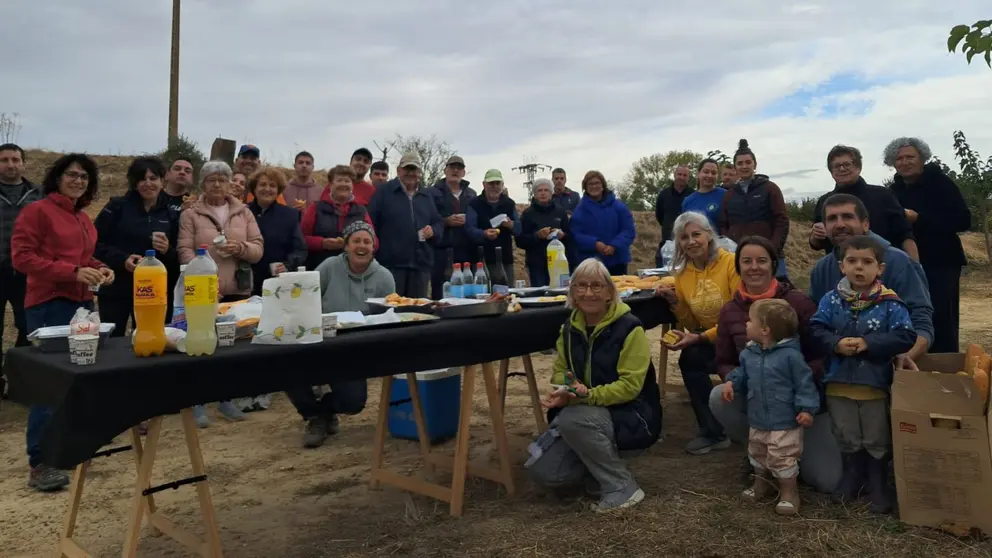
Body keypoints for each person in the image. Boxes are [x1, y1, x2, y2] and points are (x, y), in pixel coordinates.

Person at [11, 153, 114, 492]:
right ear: (57, 177)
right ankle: (39, 462)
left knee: (77, 380)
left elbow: (84, 259)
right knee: (50, 384)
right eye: (72, 174)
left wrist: (101, 268)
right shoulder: (37, 212)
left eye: (84, 177)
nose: (78, 181)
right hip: (48, 305)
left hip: (82, 303)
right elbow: (23, 257)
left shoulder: (83, 218)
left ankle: (68, 450)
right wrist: (71, 273)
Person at [526, 258, 661, 512]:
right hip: (587, 413)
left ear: (611, 292)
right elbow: (560, 373)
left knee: (571, 421)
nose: (589, 293)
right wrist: (563, 389)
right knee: (545, 473)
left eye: (597, 286)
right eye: (581, 286)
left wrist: (585, 396)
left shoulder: (631, 329)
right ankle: (597, 470)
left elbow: (630, 387)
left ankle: (622, 487)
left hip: (632, 415)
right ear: (572, 292)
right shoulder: (568, 329)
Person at [708, 235, 840, 494]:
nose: (754, 267)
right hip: (760, 402)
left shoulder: (798, 303)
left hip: (800, 403)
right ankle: (764, 456)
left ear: (774, 264)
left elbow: (823, 354)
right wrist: (734, 379)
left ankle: (790, 457)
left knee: (828, 480)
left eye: (761, 260)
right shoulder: (730, 311)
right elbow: (723, 361)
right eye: (746, 261)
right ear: (738, 267)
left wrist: (794, 383)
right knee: (718, 397)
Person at [809, 235, 916, 514]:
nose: (859, 268)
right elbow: (815, 330)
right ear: (841, 266)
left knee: (876, 436)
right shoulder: (831, 301)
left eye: (867, 262)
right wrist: (835, 344)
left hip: (874, 385)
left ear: (879, 268)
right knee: (846, 432)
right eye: (852, 261)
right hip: (838, 384)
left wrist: (870, 344)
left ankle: (878, 480)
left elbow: (906, 335)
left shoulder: (890, 303)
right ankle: (852, 475)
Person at [288, 221, 395, 447]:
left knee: (353, 402)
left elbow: (389, 317)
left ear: (373, 247)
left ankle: (326, 409)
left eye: (367, 241)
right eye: (356, 240)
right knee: (287, 367)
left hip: (356, 349)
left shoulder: (384, 277)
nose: (362, 246)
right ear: (346, 245)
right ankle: (314, 417)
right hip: (320, 340)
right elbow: (307, 299)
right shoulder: (328, 267)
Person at [178, 161, 264, 427]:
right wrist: (202, 273)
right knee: (200, 345)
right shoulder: (191, 213)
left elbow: (258, 248)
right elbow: (183, 250)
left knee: (231, 348)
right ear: (202, 184)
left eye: (222, 179)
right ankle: (198, 403)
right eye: (211, 179)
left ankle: (226, 399)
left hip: (236, 290)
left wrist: (240, 248)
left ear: (230, 184)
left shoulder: (244, 212)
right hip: (203, 292)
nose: (217, 184)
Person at [809, 194, 933, 366]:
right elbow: (816, 324)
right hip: (836, 375)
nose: (840, 224)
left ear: (865, 224)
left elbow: (921, 320)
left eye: (847, 217)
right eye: (832, 219)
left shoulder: (900, 262)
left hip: (888, 372)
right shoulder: (821, 269)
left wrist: (905, 357)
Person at [721, 299, 820, 515]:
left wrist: (806, 408)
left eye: (750, 321)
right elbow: (741, 372)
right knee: (757, 451)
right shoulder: (749, 353)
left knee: (782, 456)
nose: (746, 324)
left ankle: (789, 492)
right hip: (758, 417)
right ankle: (761, 483)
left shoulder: (791, 357)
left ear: (765, 330)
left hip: (784, 419)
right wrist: (731, 382)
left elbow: (804, 384)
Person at [654, 211, 740, 455]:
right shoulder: (681, 275)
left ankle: (747, 422)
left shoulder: (730, 263)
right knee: (690, 359)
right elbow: (691, 323)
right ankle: (713, 432)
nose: (691, 241)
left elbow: (737, 315)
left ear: (709, 236)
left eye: (696, 235)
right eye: (684, 237)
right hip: (711, 337)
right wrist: (675, 302)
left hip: (738, 336)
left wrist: (701, 337)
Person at [886, 136, 972, 354]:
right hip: (906, 264)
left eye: (910, 157)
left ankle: (946, 367)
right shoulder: (894, 191)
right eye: (899, 158)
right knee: (913, 314)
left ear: (922, 158)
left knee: (942, 316)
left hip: (941, 263)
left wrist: (919, 219)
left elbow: (963, 220)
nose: (905, 162)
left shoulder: (941, 184)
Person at [94, 156, 181, 337]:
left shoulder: (170, 213)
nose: (148, 184)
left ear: (162, 180)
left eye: (153, 178)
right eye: (142, 179)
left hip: (152, 291)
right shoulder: (117, 207)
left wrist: (167, 250)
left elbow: (177, 258)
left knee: (148, 337)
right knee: (111, 341)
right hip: (116, 288)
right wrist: (123, 259)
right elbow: (94, 244)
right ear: (134, 183)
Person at [809, 145, 917, 259]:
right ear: (831, 171)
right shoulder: (824, 201)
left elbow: (905, 235)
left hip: (884, 267)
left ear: (858, 167)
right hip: (840, 270)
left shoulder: (883, 195)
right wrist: (815, 237)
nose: (842, 169)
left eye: (847, 164)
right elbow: (817, 244)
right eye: (836, 166)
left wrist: (915, 267)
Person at [367, 152, 443, 297]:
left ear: (419, 172)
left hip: (420, 264)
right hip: (391, 265)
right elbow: (370, 223)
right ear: (398, 170)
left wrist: (433, 230)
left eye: (414, 169)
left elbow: (438, 221)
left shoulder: (426, 195)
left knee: (418, 313)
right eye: (407, 169)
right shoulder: (384, 192)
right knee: (391, 311)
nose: (410, 173)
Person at [719, 139, 790, 279]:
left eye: (748, 162)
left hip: (771, 256)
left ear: (755, 164)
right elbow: (723, 224)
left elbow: (781, 221)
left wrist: (773, 249)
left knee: (777, 297)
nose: (744, 166)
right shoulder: (729, 195)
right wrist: (731, 248)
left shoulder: (770, 188)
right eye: (740, 163)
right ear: (735, 168)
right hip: (741, 258)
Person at [0, 143, 41, 362]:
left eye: (15, 160)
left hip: (27, 272)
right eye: (4, 160)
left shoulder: (39, 194)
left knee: (28, 327)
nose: (10, 165)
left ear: (23, 164)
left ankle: (18, 376)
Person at [300, 165, 373, 270]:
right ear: (330, 184)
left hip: (353, 269)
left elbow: (373, 240)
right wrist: (322, 243)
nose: (343, 184)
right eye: (339, 180)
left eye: (347, 181)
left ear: (352, 185)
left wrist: (357, 245)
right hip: (319, 268)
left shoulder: (361, 210)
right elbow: (301, 239)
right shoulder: (316, 208)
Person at [247, 167, 306, 295]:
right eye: (262, 184)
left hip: (278, 284)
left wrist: (288, 264)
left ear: (278, 190)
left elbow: (300, 249)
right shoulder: (242, 212)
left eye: (272, 185)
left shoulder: (290, 215)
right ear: (254, 188)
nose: (267, 189)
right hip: (246, 283)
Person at [428, 155, 477, 299]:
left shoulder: (471, 194)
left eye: (459, 168)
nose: (455, 171)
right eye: (452, 167)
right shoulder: (432, 192)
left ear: (463, 172)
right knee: (442, 295)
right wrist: (446, 221)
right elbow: (428, 219)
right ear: (445, 170)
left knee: (467, 294)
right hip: (442, 252)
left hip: (467, 252)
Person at [569, 170, 636, 276]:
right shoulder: (580, 210)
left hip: (617, 261)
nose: (594, 186)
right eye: (590, 184)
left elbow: (628, 230)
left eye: (597, 183)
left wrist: (614, 245)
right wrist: (594, 244)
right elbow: (575, 234)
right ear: (585, 187)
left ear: (603, 185)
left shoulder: (619, 207)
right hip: (591, 263)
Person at [466, 169, 520, 285]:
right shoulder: (474, 204)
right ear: (484, 184)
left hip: (505, 260)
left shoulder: (509, 204)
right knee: (483, 296)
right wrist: (484, 234)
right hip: (481, 261)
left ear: (502, 185)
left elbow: (519, 230)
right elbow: (469, 229)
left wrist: (511, 225)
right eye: (491, 183)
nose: (494, 187)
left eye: (497, 183)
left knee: (507, 295)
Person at [517, 178, 570, 287]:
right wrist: (537, 236)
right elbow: (520, 241)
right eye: (539, 190)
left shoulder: (560, 212)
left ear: (551, 193)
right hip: (537, 265)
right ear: (535, 194)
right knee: (541, 296)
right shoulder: (527, 214)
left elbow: (571, 235)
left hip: (559, 263)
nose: (543, 193)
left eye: (546, 190)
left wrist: (562, 235)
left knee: (560, 293)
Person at [654, 165, 692, 266]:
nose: (682, 177)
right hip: (667, 242)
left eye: (685, 175)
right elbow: (659, 215)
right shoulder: (663, 194)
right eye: (679, 174)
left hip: (688, 243)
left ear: (688, 178)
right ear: (674, 175)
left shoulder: (693, 195)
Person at [682, 159, 726, 231]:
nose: (710, 175)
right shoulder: (688, 201)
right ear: (698, 174)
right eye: (706, 172)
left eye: (714, 173)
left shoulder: (725, 195)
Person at [551, 167, 581, 271]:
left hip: (571, 240)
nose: (559, 181)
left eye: (561, 178)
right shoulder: (548, 196)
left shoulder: (574, 196)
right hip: (553, 240)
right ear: (552, 180)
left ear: (565, 179)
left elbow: (579, 215)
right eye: (556, 178)